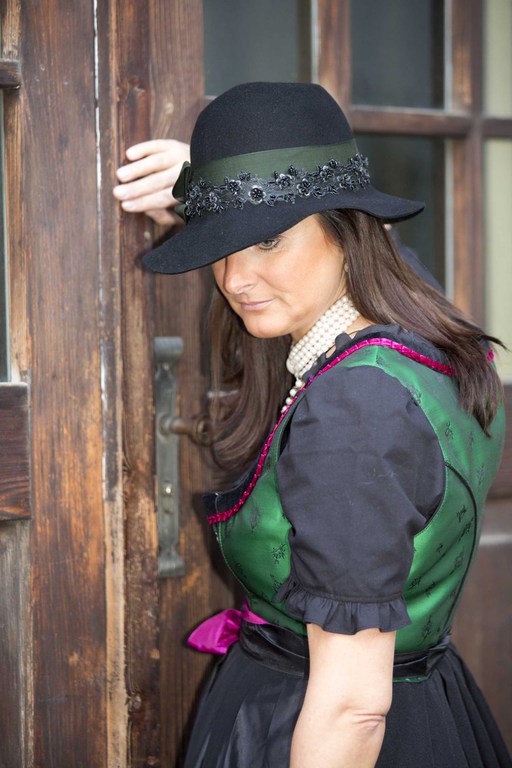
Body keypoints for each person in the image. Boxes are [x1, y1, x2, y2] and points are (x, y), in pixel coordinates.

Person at [114, 82, 510, 768]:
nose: (236, 279)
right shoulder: (430, 339)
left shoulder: (354, 409)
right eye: (224, 245)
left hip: (312, 724)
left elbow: (353, 707)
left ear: (348, 230)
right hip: (431, 705)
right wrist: (214, 194)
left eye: (269, 239)